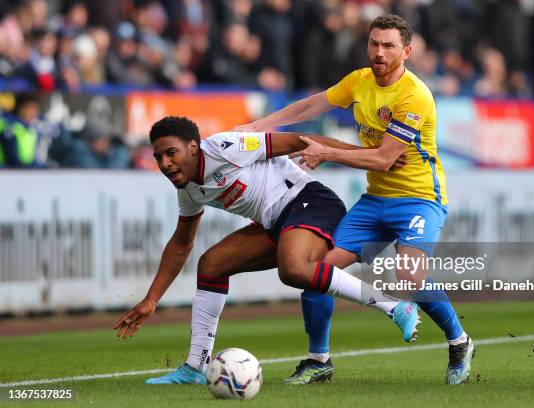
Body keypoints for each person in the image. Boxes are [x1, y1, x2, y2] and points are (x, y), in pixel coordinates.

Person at [235, 14, 474, 385]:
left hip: (418, 198)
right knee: (318, 272)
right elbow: (310, 106)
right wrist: (260, 126)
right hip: (375, 200)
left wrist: (326, 152)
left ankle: (459, 341)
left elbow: (382, 158)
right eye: (374, 44)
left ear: (406, 51)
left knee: (408, 277)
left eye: (389, 46)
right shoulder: (360, 81)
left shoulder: (415, 96)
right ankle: (319, 360)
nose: (379, 52)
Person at [114, 116, 420, 384]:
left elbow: (303, 141)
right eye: (159, 158)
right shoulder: (188, 190)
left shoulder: (224, 148)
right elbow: (181, 245)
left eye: (171, 153)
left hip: (310, 202)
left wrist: (370, 155)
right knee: (211, 265)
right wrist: (151, 300)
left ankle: (394, 306)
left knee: (294, 268)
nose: (166, 163)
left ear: (193, 147)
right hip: (275, 222)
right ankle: (196, 367)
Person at [0, 93, 45, 168]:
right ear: (20, 108)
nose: (34, 113)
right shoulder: (10, 127)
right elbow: (12, 159)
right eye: (30, 108)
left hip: (24, 172)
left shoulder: (31, 128)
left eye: (35, 109)